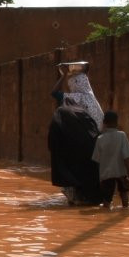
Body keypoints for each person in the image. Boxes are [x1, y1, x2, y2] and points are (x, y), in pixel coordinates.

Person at [48, 66, 104, 205]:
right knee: (90, 173)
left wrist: (63, 76)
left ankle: (74, 198)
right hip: (94, 143)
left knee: (72, 168)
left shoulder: (73, 98)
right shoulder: (93, 99)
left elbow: (54, 93)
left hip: (77, 144)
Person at [93, 110, 129, 209]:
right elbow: (127, 155)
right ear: (117, 122)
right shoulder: (122, 136)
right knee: (124, 194)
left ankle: (105, 213)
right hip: (121, 172)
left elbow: (97, 159)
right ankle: (125, 211)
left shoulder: (100, 139)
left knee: (106, 200)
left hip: (106, 174)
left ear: (104, 123)